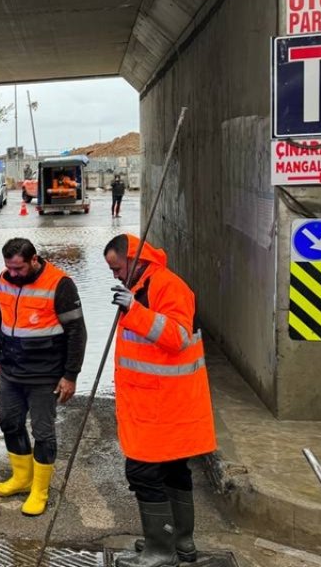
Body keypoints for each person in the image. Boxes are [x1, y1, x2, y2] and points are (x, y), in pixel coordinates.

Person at [104, 233, 215, 567]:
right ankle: (179, 543)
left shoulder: (167, 287)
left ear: (136, 261)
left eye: (118, 267)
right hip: (156, 403)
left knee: (142, 472)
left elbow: (178, 337)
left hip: (164, 406)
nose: (116, 276)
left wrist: (134, 310)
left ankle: (160, 551)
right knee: (173, 471)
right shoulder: (141, 288)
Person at [0, 238, 86, 516]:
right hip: (11, 371)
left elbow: (77, 332)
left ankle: (39, 490)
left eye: (18, 268)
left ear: (34, 260)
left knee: (42, 432)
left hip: (45, 375)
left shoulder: (60, 284)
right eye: (9, 268)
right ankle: (21, 478)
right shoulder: (5, 279)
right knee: (9, 422)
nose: (13, 274)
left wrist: (70, 375)